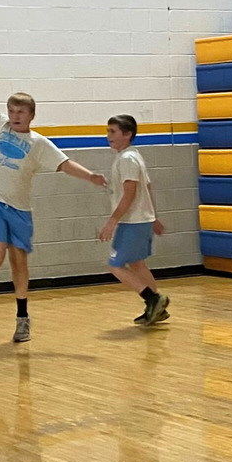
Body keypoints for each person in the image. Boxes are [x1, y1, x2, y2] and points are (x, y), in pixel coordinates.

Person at [0, 44, 107, 342]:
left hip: (20, 209)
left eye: (20, 112)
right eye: (11, 110)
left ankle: (22, 319)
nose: (14, 115)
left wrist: (90, 176)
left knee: (19, 262)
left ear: (31, 115)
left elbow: (64, 164)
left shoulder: (38, 144)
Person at [97, 114, 169, 325]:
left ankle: (153, 298)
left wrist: (111, 221)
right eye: (108, 131)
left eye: (113, 131)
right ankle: (156, 309)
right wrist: (153, 216)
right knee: (137, 264)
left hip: (133, 222)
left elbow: (130, 193)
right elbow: (147, 187)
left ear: (127, 134)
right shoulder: (133, 156)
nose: (108, 135)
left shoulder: (127, 159)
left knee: (115, 265)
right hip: (141, 220)